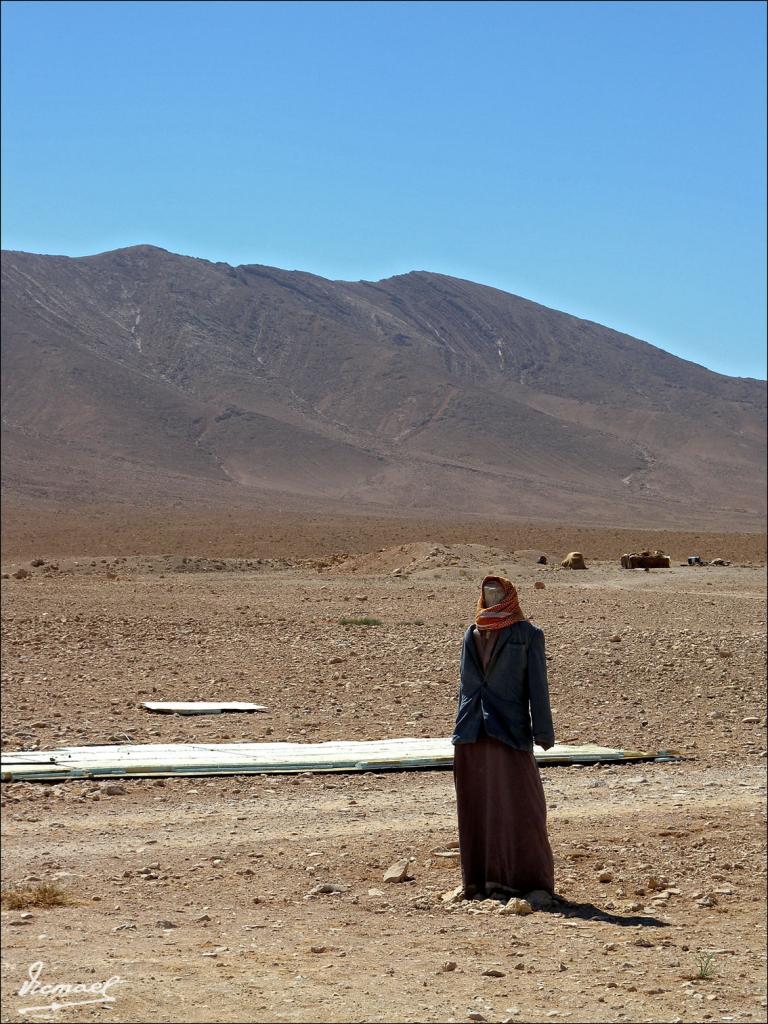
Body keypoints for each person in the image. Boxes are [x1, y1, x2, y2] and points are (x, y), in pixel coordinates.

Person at [452, 574, 555, 900]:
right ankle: (481, 883)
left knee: (521, 806)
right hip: (473, 733)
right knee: (477, 805)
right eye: (487, 592)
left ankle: (528, 882)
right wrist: (461, 726)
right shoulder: (472, 633)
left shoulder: (527, 635)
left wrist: (543, 732)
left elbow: (538, 687)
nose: (492, 597)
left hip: (509, 731)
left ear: (509, 596)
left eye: (498, 592)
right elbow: (466, 686)